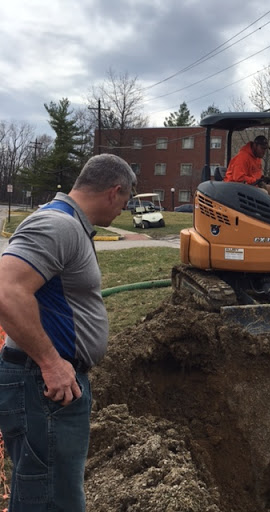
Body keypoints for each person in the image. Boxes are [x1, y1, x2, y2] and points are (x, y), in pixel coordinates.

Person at [0, 153, 136, 512]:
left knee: (47, 493)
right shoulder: (58, 225)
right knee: (51, 500)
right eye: (125, 201)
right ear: (114, 191)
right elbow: (6, 290)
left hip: (47, 388)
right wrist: (51, 363)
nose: (122, 211)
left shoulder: (70, 225)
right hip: (44, 387)